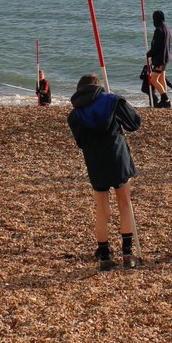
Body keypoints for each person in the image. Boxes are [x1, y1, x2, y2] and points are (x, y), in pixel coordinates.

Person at [67, 74, 142, 271]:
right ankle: (128, 254)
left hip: (95, 161)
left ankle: (105, 256)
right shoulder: (111, 101)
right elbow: (134, 123)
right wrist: (116, 102)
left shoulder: (75, 115)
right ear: (98, 88)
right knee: (125, 204)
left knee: (102, 210)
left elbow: (80, 142)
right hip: (118, 156)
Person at [147, 10, 172, 108]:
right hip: (165, 57)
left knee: (153, 79)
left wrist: (149, 54)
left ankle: (165, 99)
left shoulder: (159, 29)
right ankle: (165, 100)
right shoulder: (166, 27)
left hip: (160, 59)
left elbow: (156, 46)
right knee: (162, 79)